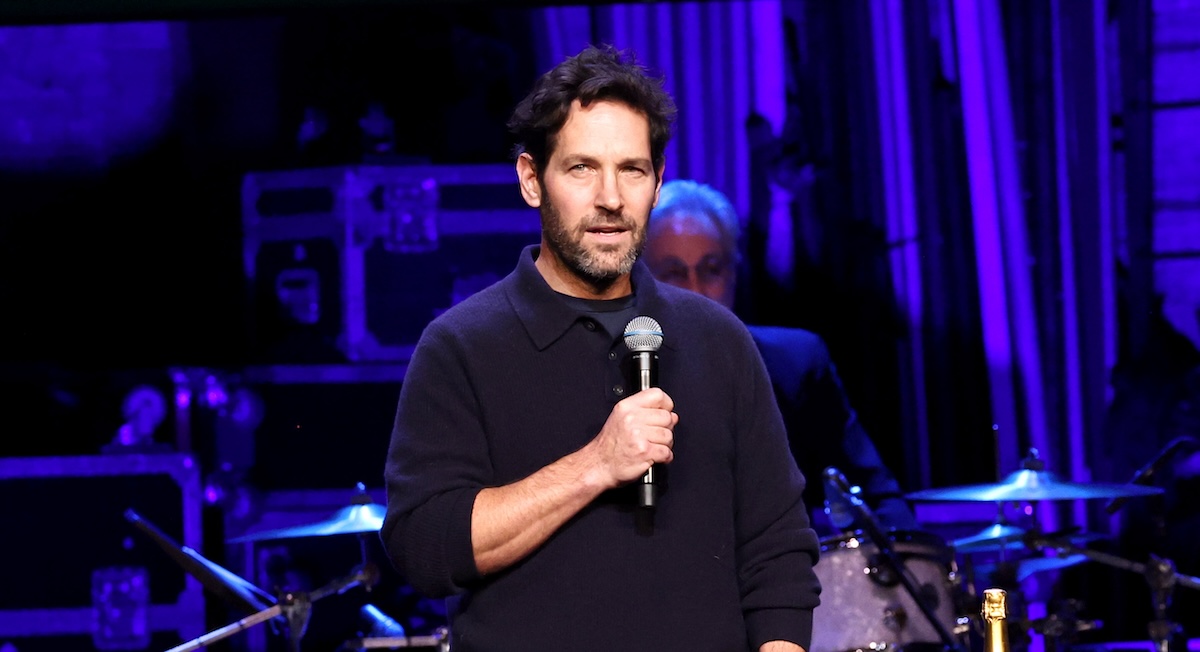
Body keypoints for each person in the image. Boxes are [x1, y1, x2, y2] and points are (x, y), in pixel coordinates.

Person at [380, 44, 822, 652]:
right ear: (533, 180)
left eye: (633, 170)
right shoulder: (461, 347)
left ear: (658, 183)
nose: (611, 198)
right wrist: (595, 465)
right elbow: (425, 548)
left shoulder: (719, 340)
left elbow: (777, 550)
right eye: (582, 168)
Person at [643, 178, 919, 536]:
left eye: (712, 269)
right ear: (642, 278)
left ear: (735, 272)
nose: (697, 291)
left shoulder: (797, 364)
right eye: (674, 273)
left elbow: (878, 496)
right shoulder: (615, 371)